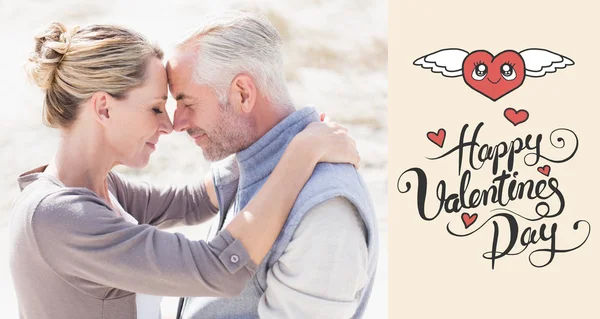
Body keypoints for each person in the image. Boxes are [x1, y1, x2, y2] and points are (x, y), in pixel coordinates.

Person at [9, 22, 359, 319]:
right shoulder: (60, 217)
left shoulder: (102, 190)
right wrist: (302, 152)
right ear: (103, 108)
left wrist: (275, 135)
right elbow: (218, 269)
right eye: (156, 108)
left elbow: (192, 201)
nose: (169, 124)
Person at [169, 11, 379, 319]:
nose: (177, 122)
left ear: (242, 93)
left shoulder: (327, 209)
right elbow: (168, 205)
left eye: (187, 102)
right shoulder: (244, 167)